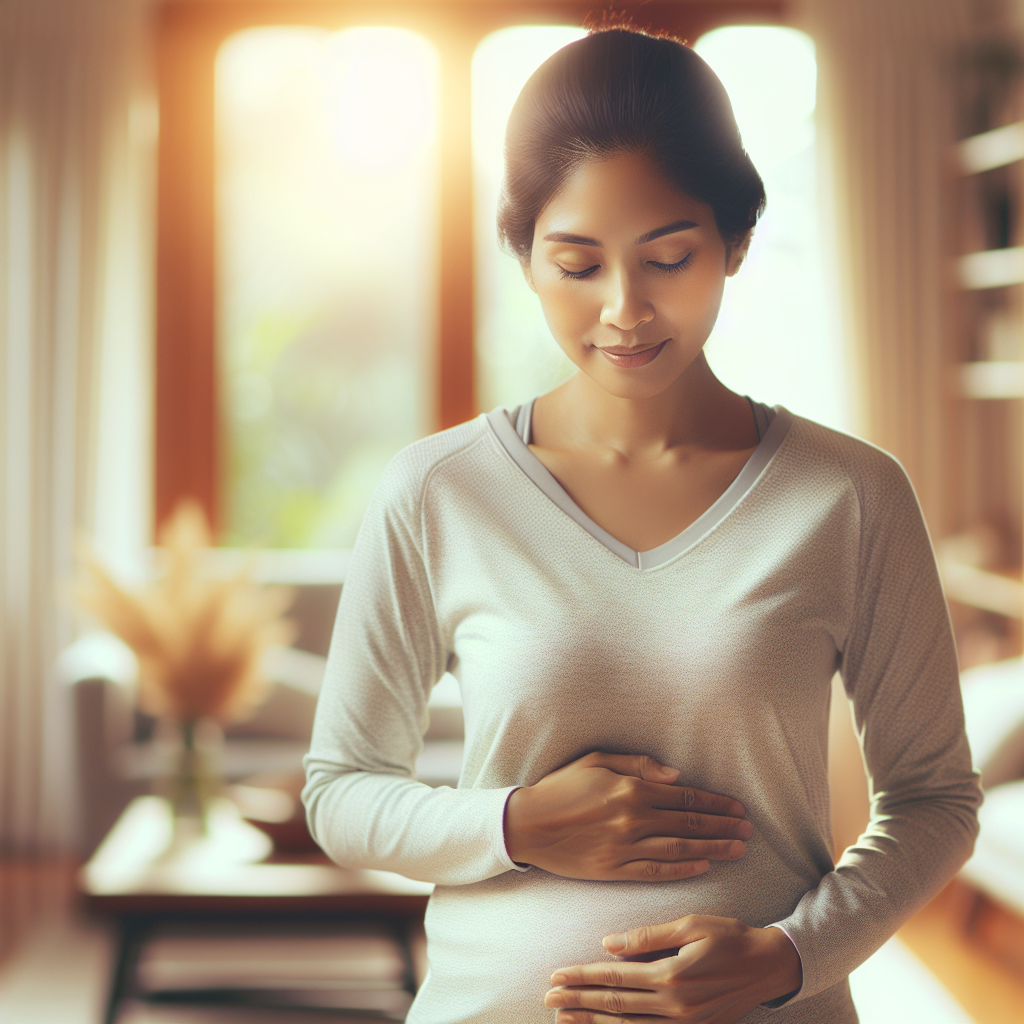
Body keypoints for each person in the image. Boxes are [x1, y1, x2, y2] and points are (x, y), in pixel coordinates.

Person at [303, 27, 981, 1024]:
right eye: (576, 263)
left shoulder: (850, 495)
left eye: (668, 256)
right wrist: (518, 823)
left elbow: (934, 800)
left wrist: (786, 956)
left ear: (736, 242)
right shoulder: (436, 491)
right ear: (524, 255)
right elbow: (340, 790)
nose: (623, 309)